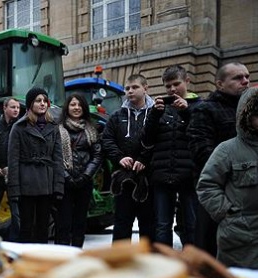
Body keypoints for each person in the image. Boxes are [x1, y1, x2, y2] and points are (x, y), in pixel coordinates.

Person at [188, 62, 251, 256]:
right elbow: (200, 149)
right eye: (238, 78)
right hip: (219, 192)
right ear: (219, 84)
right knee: (211, 248)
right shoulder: (205, 110)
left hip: (249, 193)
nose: (245, 81)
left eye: (247, 76)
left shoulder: (250, 111)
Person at [196, 86, 258, 268]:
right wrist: (227, 213)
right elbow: (207, 185)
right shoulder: (227, 150)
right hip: (239, 237)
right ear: (247, 116)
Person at [141, 65, 200, 247]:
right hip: (162, 174)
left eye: (176, 84)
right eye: (168, 86)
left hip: (189, 175)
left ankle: (193, 263)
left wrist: (186, 111)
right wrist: (154, 115)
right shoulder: (159, 109)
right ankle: (164, 263)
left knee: (192, 223)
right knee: (162, 225)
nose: (172, 89)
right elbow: (147, 139)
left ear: (187, 82)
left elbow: (201, 134)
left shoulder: (200, 106)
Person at [102, 74, 155, 243]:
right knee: (122, 224)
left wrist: (144, 160)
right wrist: (119, 157)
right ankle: (120, 264)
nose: (130, 91)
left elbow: (160, 141)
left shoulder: (157, 114)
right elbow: (107, 140)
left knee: (149, 226)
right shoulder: (116, 116)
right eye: (127, 88)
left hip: (149, 179)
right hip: (123, 180)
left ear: (146, 88)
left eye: (135, 87)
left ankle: (148, 264)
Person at [7, 87, 64, 243]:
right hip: (26, 184)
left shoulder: (53, 127)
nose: (42, 104)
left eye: (45, 101)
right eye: (38, 101)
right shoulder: (19, 127)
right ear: (30, 104)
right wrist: (14, 190)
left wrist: (58, 186)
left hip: (46, 184)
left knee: (43, 227)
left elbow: (58, 158)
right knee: (26, 228)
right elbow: (13, 160)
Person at [54, 94, 103, 248]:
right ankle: (61, 256)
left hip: (84, 183)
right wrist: (67, 176)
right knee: (63, 223)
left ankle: (76, 252)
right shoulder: (58, 129)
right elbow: (55, 155)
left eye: (79, 105)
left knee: (80, 223)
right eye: (73, 105)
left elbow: (97, 155)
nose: (76, 108)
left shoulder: (91, 129)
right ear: (67, 108)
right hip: (64, 183)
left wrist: (86, 175)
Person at [0, 97, 21, 241]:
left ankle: (15, 243)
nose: (16, 110)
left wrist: (12, 168)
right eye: (13, 107)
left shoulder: (20, 127)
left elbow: (22, 151)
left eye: (18, 108)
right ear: (4, 108)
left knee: (17, 213)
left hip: (13, 176)